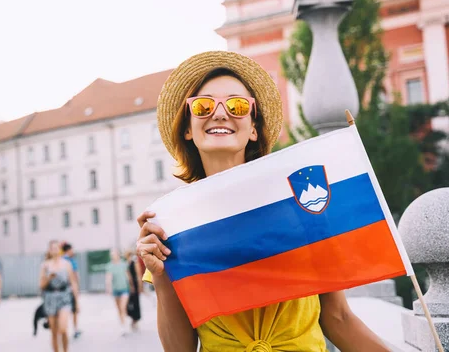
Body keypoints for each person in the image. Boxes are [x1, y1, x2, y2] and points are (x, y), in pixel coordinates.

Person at [135, 51, 393, 351]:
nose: (220, 113)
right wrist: (161, 275)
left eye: (237, 105)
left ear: (254, 128)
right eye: (204, 106)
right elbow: (179, 349)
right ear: (188, 129)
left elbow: (338, 318)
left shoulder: (300, 202)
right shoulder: (171, 223)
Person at [39, 240, 78, 352]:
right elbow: (41, 285)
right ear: (49, 251)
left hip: (64, 297)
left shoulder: (66, 264)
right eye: (52, 248)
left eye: (57, 248)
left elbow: (73, 282)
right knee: (54, 332)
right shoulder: (45, 265)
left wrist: (76, 301)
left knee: (63, 328)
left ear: (60, 250)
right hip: (50, 298)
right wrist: (48, 278)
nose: (55, 250)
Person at [105, 249, 132, 336]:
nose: (113, 256)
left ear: (118, 255)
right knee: (119, 309)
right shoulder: (109, 266)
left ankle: (125, 326)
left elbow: (128, 275)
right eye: (112, 255)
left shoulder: (123, 264)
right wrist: (108, 287)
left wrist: (131, 285)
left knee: (123, 307)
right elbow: (108, 277)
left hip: (124, 289)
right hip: (116, 290)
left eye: (114, 254)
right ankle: (122, 325)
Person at [61, 243, 81, 339]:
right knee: (74, 309)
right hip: (71, 288)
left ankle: (67, 329)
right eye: (71, 250)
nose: (73, 251)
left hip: (63, 289)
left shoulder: (60, 260)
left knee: (66, 309)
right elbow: (75, 275)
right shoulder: (70, 261)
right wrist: (77, 287)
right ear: (68, 250)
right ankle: (75, 329)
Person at [124, 250, 143, 331]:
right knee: (128, 304)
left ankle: (135, 320)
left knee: (135, 303)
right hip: (127, 286)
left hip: (134, 285)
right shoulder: (126, 263)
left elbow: (138, 275)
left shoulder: (134, 262)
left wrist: (139, 286)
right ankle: (133, 319)